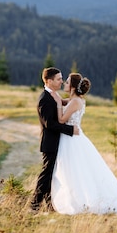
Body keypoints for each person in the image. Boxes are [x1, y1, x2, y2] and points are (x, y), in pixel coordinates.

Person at [50, 73, 117, 216]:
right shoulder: (76, 100)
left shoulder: (75, 102)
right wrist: (57, 98)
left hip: (71, 140)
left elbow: (62, 120)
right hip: (73, 137)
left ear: (74, 87)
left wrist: (57, 103)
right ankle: (74, 198)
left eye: (67, 82)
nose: (64, 84)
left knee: (74, 170)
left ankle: (78, 201)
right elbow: (65, 102)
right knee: (74, 170)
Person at [30, 67, 79, 211]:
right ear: (49, 81)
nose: (61, 81)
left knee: (53, 174)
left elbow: (62, 104)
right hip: (50, 143)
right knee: (46, 174)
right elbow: (49, 124)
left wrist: (72, 100)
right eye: (58, 79)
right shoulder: (44, 99)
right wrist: (70, 130)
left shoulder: (53, 95)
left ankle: (50, 205)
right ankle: (34, 205)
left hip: (59, 143)